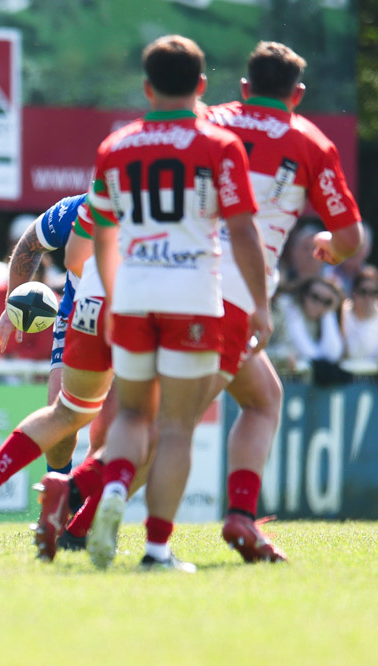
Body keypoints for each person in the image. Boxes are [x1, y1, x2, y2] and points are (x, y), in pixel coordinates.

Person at [39, 40, 365, 566]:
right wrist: (329, 246)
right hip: (219, 297)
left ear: (241, 87)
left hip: (167, 281)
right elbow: (351, 240)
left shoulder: (209, 120)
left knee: (263, 398)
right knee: (173, 425)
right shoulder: (311, 142)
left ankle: (239, 516)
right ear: (297, 94)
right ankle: (79, 500)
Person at [84, 35, 271, 572]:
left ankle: (116, 485)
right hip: (193, 294)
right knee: (176, 429)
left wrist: (118, 296)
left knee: (133, 414)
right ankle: (156, 550)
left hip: (135, 294)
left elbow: (102, 232)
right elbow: (242, 232)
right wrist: (260, 304)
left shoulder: (115, 146)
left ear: (146, 87)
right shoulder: (220, 145)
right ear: (202, 86)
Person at [0, 194, 100, 550]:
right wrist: (11, 303)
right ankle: (75, 525)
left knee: (65, 417)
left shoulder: (87, 204)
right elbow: (31, 242)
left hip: (84, 316)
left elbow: (31, 242)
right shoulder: (100, 205)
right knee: (132, 428)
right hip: (119, 316)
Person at [342, 265, 378, 366]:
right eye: (363, 292)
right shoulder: (341, 313)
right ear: (353, 292)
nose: (368, 298)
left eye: (374, 293)